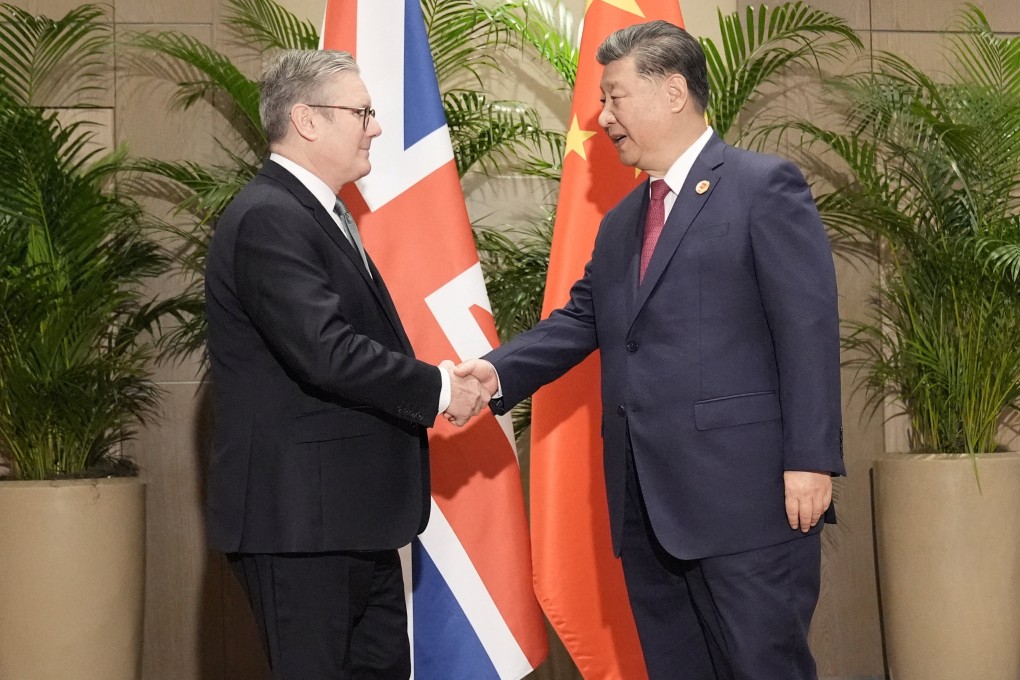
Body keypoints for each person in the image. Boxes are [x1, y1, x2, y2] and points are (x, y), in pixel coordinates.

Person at [455, 21, 845, 680]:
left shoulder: (762, 186)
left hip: (746, 500)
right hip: (646, 502)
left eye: (614, 97)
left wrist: (810, 459)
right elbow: (581, 321)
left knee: (762, 667)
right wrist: (492, 374)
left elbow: (806, 328)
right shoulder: (621, 224)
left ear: (671, 92)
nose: (602, 116)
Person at [204, 49, 489, 680]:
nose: (377, 127)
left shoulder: (316, 214)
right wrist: (441, 387)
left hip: (349, 522)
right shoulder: (269, 217)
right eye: (361, 112)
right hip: (300, 527)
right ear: (306, 120)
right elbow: (327, 352)